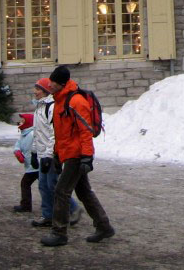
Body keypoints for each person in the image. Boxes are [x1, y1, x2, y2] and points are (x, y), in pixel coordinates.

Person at [40, 65, 114, 247]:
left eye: (53, 82)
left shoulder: (76, 101)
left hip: (77, 154)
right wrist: (57, 155)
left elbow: (85, 132)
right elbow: (61, 133)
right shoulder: (59, 101)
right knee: (83, 192)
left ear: (61, 83)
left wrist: (87, 157)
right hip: (69, 153)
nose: (49, 85)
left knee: (61, 191)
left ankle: (59, 233)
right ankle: (104, 226)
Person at [31, 77, 81, 228]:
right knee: (43, 186)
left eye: (38, 89)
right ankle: (48, 215)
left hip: (51, 154)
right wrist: (34, 152)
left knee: (53, 184)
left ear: (45, 91)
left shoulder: (51, 108)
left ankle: (73, 208)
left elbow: (54, 133)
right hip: (42, 154)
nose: (35, 92)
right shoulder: (39, 107)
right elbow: (37, 133)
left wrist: (48, 155)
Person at [11, 113, 38, 213]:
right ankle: (26, 205)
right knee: (46, 186)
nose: (20, 122)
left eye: (23, 121)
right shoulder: (24, 134)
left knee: (25, 183)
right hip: (31, 166)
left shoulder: (32, 134)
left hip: (36, 165)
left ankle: (26, 206)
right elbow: (18, 145)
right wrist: (17, 152)